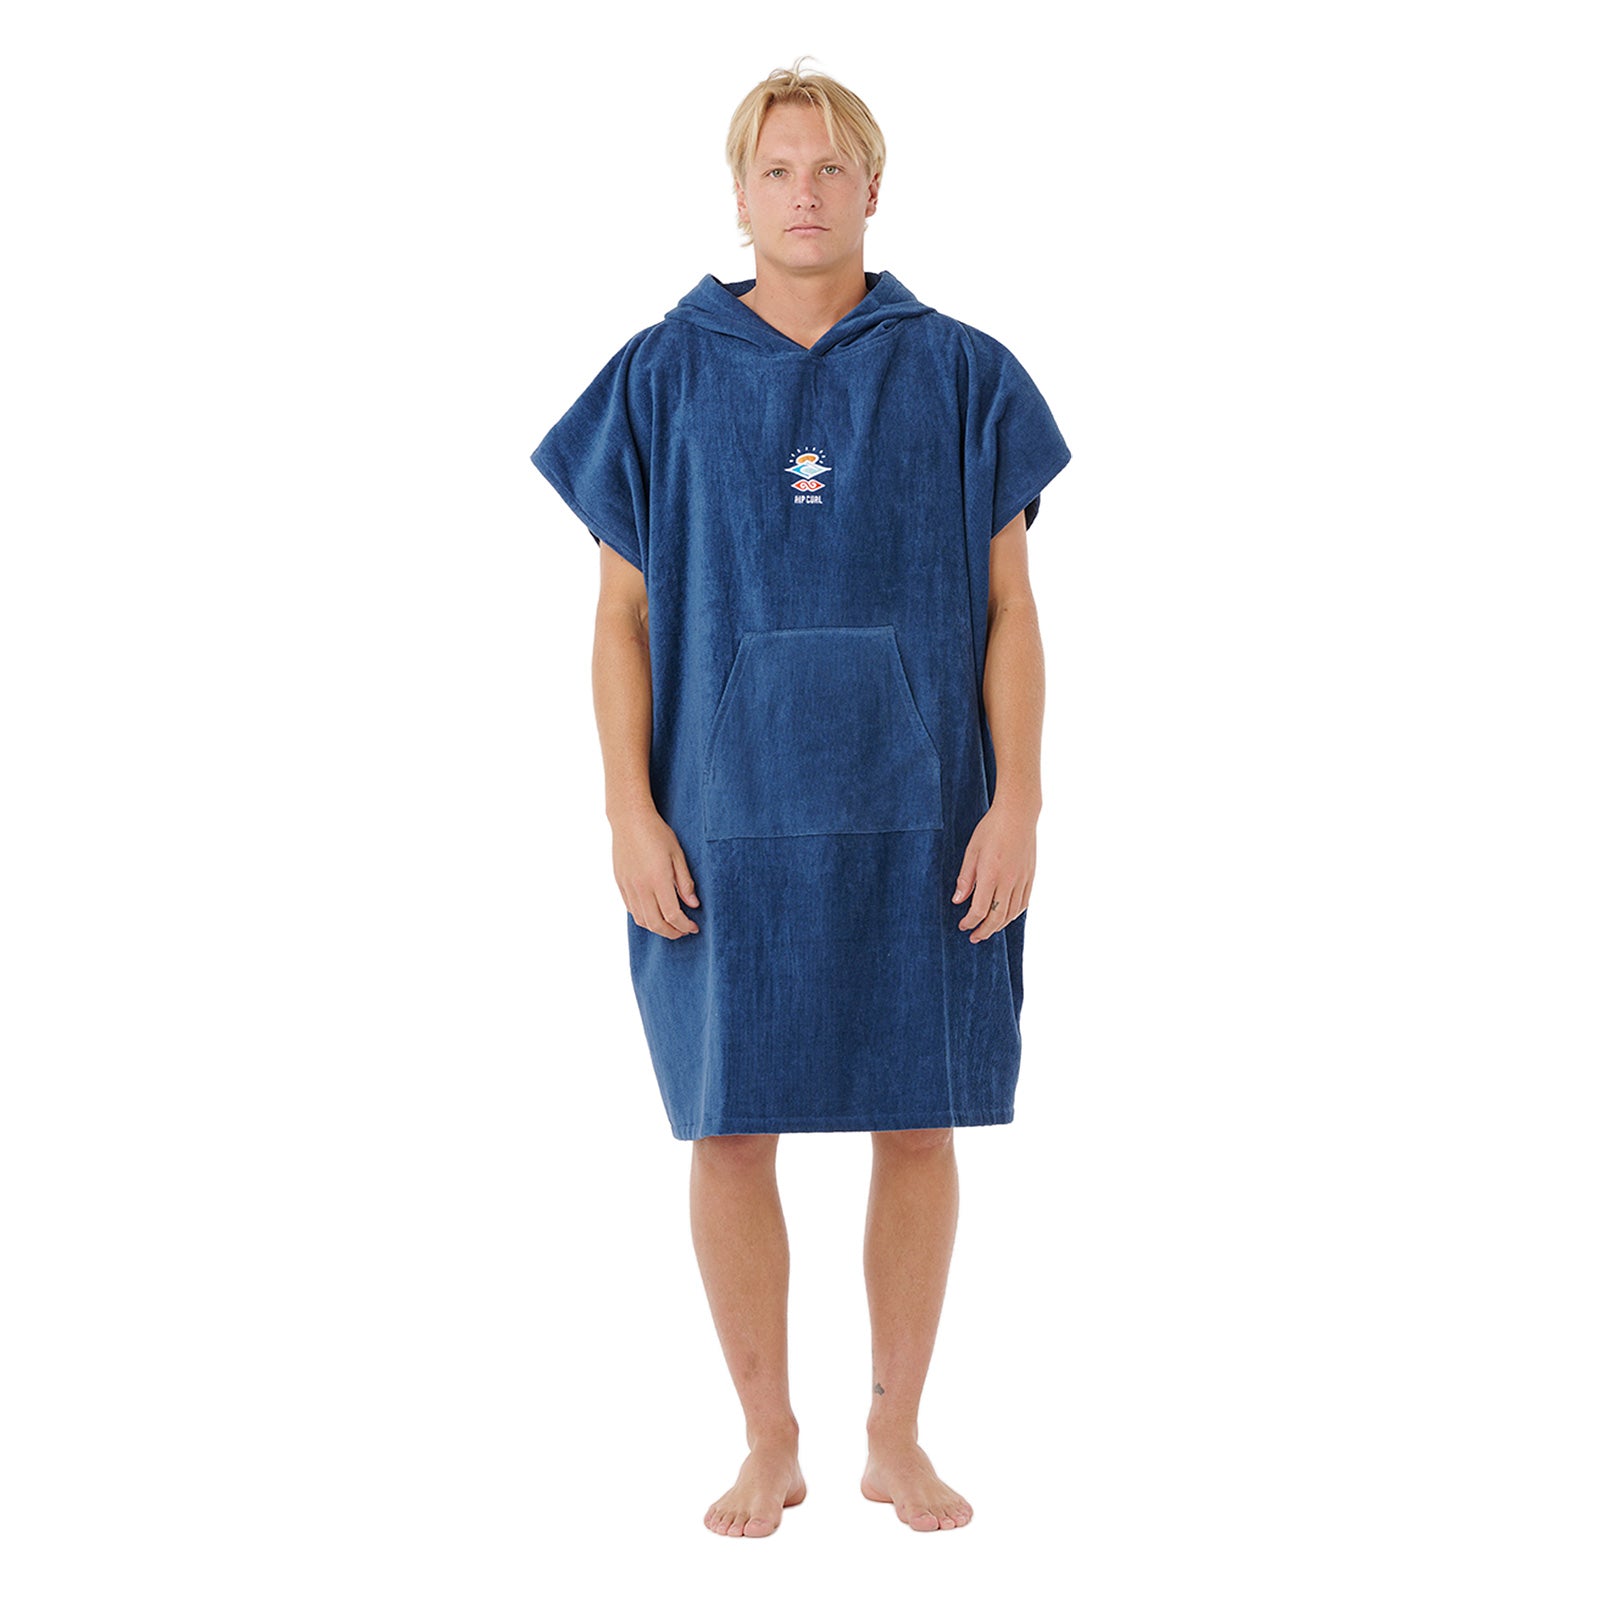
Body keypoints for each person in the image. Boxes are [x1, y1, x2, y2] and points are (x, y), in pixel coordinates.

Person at [529, 59, 1072, 1538]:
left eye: (831, 168)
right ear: (740, 191)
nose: (806, 194)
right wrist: (626, 813)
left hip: (927, 819)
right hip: (720, 824)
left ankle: (895, 1437)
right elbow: (619, 619)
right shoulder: (661, 373)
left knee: (920, 1121)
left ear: (873, 186)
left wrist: (1019, 801)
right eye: (777, 170)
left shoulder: (962, 372)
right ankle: (767, 1440)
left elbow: (1013, 610)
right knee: (727, 1131)